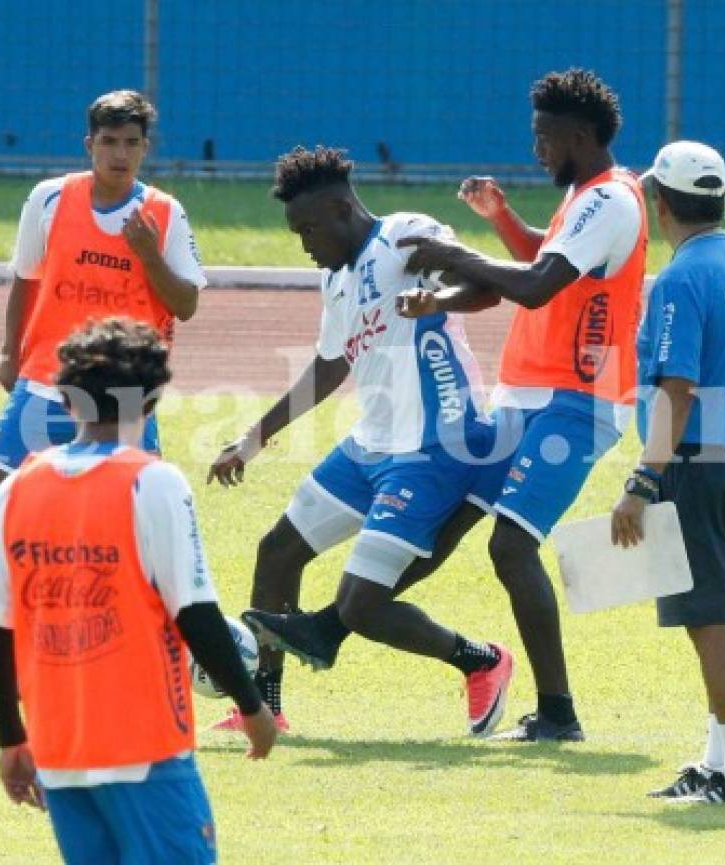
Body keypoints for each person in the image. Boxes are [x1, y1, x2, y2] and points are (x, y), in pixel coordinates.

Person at [255, 69, 647, 742]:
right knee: (450, 527)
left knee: (511, 546)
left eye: (545, 137)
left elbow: (533, 287)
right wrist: (499, 223)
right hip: (526, 399)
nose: (538, 150)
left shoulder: (608, 200)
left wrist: (453, 255)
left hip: (576, 400)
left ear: (580, 134)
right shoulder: (587, 198)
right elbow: (547, 262)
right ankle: (329, 626)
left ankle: (558, 712)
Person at [207, 145, 514, 736]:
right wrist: (251, 440)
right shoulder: (337, 280)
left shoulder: (404, 235)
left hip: (433, 447)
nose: (304, 244)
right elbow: (328, 367)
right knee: (277, 552)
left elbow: (486, 287)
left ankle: (482, 661)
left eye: (308, 229)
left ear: (341, 208)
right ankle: (265, 709)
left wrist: (438, 301)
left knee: (361, 607)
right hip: (369, 446)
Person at [0, 89, 207, 652]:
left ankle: (163, 626)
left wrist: (148, 254)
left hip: (125, 394)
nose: (119, 154)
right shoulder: (49, 200)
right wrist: (11, 352)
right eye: (108, 142)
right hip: (46, 378)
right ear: (88, 144)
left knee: (139, 508)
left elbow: (185, 302)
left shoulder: (163, 213)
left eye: (131, 144)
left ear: (145, 148)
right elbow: (26, 278)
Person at [0, 318, 277, 864]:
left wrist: (10, 738)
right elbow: (198, 615)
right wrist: (251, 704)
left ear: (65, 401)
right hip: (146, 747)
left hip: (59, 750)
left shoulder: (16, 489)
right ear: (153, 401)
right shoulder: (152, 482)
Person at [611, 142, 725, 804]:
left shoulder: (682, 278)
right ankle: (721, 759)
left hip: (697, 465)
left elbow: (676, 390)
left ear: (662, 202)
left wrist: (641, 483)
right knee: (722, 615)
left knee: (710, 620)